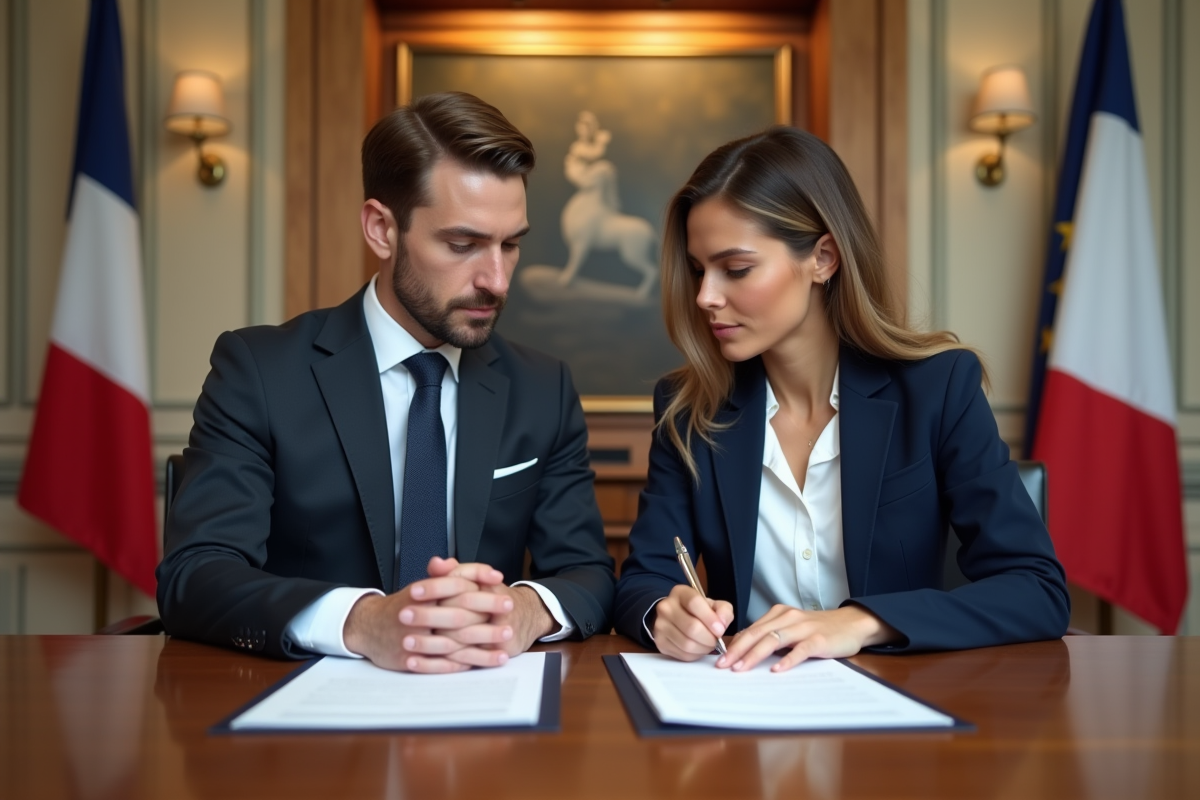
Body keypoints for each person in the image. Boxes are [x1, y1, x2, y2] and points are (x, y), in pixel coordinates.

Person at [157, 92, 615, 673]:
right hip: (303, 723)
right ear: (381, 229)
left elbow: (589, 573)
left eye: (511, 244)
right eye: (463, 244)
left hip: (486, 714)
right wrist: (363, 622)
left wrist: (526, 609)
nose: (496, 280)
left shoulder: (541, 387)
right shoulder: (258, 370)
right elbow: (195, 574)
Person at [613, 126, 1069, 672]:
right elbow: (641, 581)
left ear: (823, 258)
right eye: (697, 270)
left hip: (900, 712)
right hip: (746, 710)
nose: (706, 297)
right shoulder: (689, 409)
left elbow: (1037, 590)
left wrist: (860, 621)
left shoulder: (938, 388)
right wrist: (665, 611)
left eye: (736, 269)